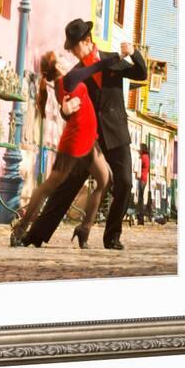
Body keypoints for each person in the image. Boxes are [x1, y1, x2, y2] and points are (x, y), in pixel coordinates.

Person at [22, 18, 147, 250]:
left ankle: (111, 237)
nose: (72, 52)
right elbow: (68, 103)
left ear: (87, 41)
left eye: (74, 46)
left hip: (117, 133)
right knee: (67, 186)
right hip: (91, 138)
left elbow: (141, 74)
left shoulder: (112, 60)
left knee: (125, 183)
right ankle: (35, 235)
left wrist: (134, 52)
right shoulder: (78, 72)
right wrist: (64, 111)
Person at [10, 49, 124, 249]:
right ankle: (21, 228)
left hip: (88, 140)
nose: (65, 58)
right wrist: (117, 57)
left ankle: (84, 228)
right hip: (75, 143)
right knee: (49, 187)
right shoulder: (69, 79)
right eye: (61, 58)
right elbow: (95, 67)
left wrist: (66, 110)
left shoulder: (60, 85)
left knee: (104, 180)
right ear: (58, 67)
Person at [136, 143, 150, 225]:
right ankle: (140, 217)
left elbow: (139, 165)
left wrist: (139, 157)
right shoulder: (147, 157)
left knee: (140, 199)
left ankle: (140, 217)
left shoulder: (143, 157)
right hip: (144, 179)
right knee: (141, 198)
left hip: (142, 179)